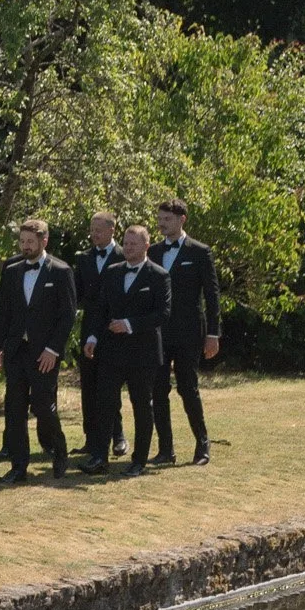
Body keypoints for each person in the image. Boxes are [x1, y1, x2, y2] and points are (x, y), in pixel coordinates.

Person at [0, 219, 76, 480]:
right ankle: (18, 466)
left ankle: (59, 452)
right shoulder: (12, 270)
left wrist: (53, 349)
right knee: (14, 409)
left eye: (30, 242)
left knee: (43, 406)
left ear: (43, 241)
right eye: (22, 242)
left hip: (44, 352)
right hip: (16, 350)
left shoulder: (61, 271)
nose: (25, 246)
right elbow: (2, 310)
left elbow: (67, 316)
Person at [80, 221, 170, 475]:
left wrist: (130, 324)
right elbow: (101, 310)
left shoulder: (159, 276)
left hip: (143, 354)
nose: (128, 248)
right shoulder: (113, 272)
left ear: (146, 246)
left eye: (134, 244)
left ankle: (139, 459)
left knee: (142, 405)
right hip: (111, 351)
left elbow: (162, 314)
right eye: (126, 243)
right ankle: (99, 456)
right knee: (104, 403)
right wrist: (92, 338)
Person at [153, 197, 221, 468]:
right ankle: (165, 449)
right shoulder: (154, 251)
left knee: (187, 387)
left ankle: (202, 443)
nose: (161, 224)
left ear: (182, 220)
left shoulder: (200, 251)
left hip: (190, 331)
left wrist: (213, 333)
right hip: (159, 332)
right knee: (158, 389)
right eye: (159, 219)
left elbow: (212, 294)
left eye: (166, 219)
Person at [74, 211, 129, 464]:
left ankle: (117, 436)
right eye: (91, 229)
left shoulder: (123, 255)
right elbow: (76, 293)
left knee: (110, 386)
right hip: (89, 328)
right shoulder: (83, 258)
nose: (94, 233)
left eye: (99, 229)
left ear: (112, 230)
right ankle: (91, 438)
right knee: (89, 384)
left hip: (115, 328)